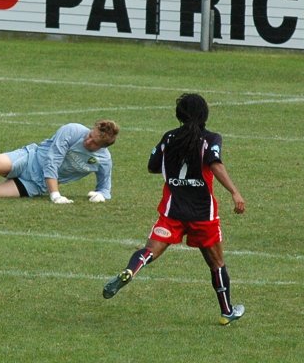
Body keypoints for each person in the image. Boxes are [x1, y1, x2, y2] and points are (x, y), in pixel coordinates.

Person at [102, 93, 246, 325]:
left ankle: (131, 270)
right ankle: (227, 311)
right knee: (217, 264)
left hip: (172, 213)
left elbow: (152, 166)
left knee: (149, 251)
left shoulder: (169, 138)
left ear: (179, 115)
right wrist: (234, 192)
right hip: (203, 216)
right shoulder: (211, 138)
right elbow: (215, 164)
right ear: (204, 114)